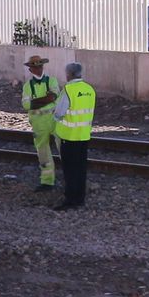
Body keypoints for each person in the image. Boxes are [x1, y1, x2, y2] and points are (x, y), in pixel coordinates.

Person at [51, 62, 96, 210]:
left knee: (70, 170)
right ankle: (80, 198)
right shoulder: (89, 89)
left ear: (69, 74)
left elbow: (59, 113)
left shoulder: (68, 90)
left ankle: (70, 200)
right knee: (80, 169)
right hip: (83, 136)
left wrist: (55, 117)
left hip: (68, 137)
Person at [20, 56, 61, 192]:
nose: (38, 69)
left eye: (40, 66)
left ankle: (70, 177)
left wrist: (37, 101)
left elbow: (54, 96)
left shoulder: (52, 80)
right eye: (35, 67)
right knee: (43, 152)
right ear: (30, 69)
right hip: (39, 122)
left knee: (64, 149)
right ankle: (47, 181)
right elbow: (27, 105)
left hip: (54, 120)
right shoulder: (27, 86)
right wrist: (47, 99)